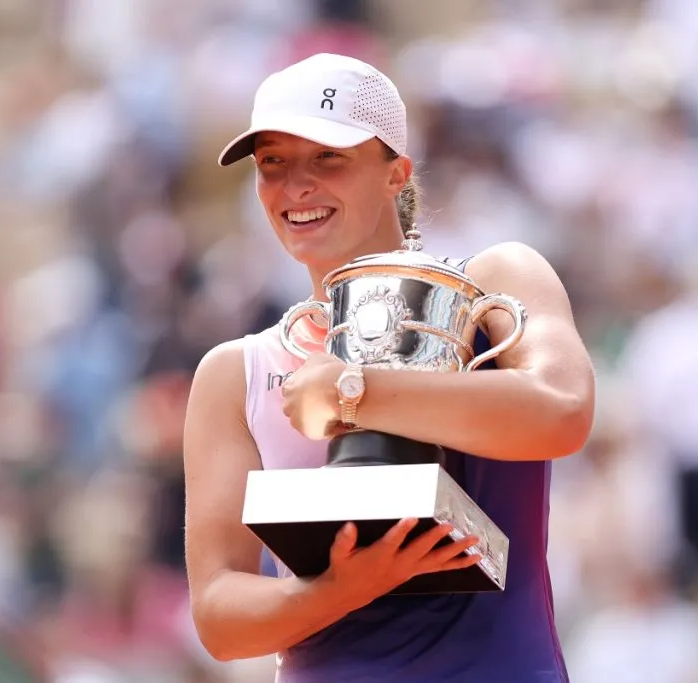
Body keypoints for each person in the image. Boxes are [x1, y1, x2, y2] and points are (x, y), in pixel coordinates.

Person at [183, 53, 596, 683]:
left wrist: (355, 391)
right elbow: (218, 615)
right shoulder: (235, 371)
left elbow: (563, 410)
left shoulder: (494, 283)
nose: (296, 187)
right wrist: (342, 588)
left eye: (329, 159)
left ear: (395, 173)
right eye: (274, 164)